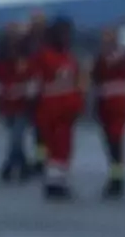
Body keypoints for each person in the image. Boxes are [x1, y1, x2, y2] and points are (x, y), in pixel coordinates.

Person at [33, 17, 86, 200]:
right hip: (52, 109)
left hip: (66, 109)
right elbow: (40, 81)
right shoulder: (45, 55)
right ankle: (53, 183)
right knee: (55, 147)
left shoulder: (67, 56)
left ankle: (59, 181)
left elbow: (76, 81)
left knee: (64, 147)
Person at [0, 21, 35, 182]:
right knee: (15, 136)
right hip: (7, 102)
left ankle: (8, 167)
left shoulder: (26, 54)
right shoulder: (1, 55)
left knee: (16, 136)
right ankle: (23, 166)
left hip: (22, 102)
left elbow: (31, 76)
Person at [91, 27, 125, 199]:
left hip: (117, 103)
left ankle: (117, 178)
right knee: (110, 140)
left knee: (116, 140)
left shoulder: (121, 56)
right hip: (105, 103)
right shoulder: (101, 57)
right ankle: (115, 174)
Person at [25, 10, 49, 176]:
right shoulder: (27, 41)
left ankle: (46, 159)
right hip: (36, 91)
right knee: (38, 130)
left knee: (46, 129)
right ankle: (41, 159)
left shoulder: (48, 40)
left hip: (48, 91)